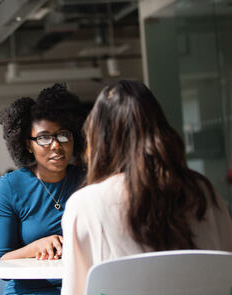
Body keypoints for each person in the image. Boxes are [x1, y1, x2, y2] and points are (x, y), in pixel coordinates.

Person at [61, 80, 232, 295]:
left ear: (99, 139)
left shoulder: (85, 204)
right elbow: (226, 272)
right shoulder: (204, 193)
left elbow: (74, 291)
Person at [0, 83, 88, 295]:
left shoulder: (88, 182)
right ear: (28, 145)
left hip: (81, 288)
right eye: (44, 138)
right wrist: (36, 247)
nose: (56, 145)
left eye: (63, 135)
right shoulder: (11, 186)